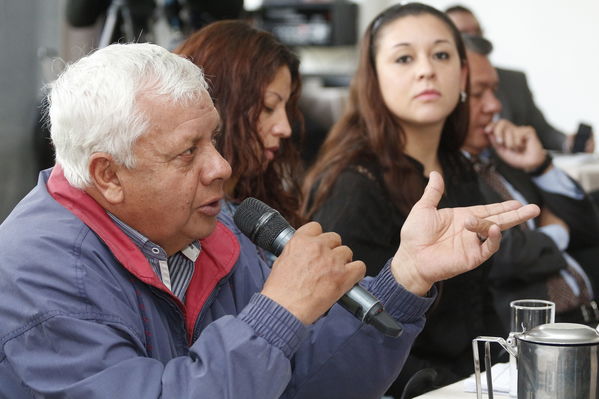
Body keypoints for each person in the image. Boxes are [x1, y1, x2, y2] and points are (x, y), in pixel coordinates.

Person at [0, 42, 538, 398]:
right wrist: (278, 312)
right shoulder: (36, 269)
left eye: (212, 137)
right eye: (188, 152)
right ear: (108, 175)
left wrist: (406, 278)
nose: (222, 166)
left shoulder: (216, 228)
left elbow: (309, 383)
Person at [302, 3, 517, 396]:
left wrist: (502, 374)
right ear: (373, 77)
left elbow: (478, 302)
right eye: (404, 57)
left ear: (463, 74)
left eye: (441, 54)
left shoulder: (457, 166)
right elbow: (343, 336)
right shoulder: (355, 185)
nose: (426, 70)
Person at [461, 33, 599, 327]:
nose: (495, 106)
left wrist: (540, 166)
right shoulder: (446, 173)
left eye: (494, 91)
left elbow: (588, 228)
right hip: (531, 334)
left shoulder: (501, 157)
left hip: (587, 312)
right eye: (478, 93)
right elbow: (503, 257)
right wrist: (556, 235)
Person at [174, 21, 304, 257]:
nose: (285, 129)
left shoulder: (248, 204)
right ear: (219, 104)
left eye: (287, 110)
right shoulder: (190, 224)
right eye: (269, 107)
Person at [445, 5, 594, 153]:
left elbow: (542, 130)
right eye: (464, 35)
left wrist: (567, 142)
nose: (495, 106)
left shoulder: (514, 81)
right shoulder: (441, 90)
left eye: (478, 32)